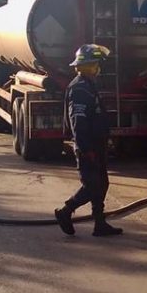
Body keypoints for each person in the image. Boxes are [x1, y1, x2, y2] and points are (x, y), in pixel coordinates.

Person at [54, 44, 122, 237]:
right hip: (88, 145)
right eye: (96, 64)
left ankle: (99, 223)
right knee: (92, 185)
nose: (99, 67)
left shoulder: (89, 85)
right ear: (90, 66)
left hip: (97, 142)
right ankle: (65, 211)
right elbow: (78, 120)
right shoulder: (80, 88)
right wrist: (86, 148)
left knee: (102, 183)